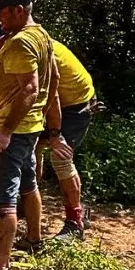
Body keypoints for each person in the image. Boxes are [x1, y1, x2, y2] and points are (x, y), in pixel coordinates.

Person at [0, 0, 68, 270]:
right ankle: (34, 237)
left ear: (19, 10)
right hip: (30, 127)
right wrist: (40, 113)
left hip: (13, 129)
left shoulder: (20, 42)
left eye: (1, 14)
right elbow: (53, 78)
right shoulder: (42, 36)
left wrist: (5, 132)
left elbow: (30, 88)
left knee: (4, 197)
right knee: (29, 183)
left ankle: (0, 267)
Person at [36, 37, 96, 241]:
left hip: (75, 105)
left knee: (61, 158)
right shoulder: (24, 42)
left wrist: (55, 135)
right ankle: (28, 203)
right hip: (54, 100)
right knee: (30, 148)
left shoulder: (32, 49)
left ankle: (75, 222)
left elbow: (52, 95)